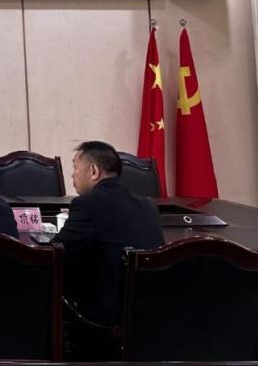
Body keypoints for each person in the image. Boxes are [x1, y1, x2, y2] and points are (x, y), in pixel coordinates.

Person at [54, 140, 164, 359]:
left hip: (101, 322)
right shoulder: (148, 206)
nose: (73, 175)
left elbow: (57, 253)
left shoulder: (87, 204)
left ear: (93, 171)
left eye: (75, 167)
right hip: (146, 319)